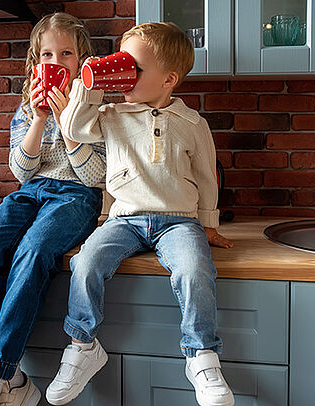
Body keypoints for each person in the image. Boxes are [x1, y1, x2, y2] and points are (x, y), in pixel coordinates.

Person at [46, 22, 235, 406]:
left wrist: (209, 225)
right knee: (86, 263)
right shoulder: (112, 114)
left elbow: (206, 176)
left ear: (168, 79)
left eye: (134, 66)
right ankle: (82, 346)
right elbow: (75, 127)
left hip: (178, 219)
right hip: (124, 220)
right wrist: (92, 81)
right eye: (122, 62)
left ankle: (201, 356)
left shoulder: (192, 124)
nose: (124, 72)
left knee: (195, 269)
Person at [0, 13, 106, 406]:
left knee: (33, 251)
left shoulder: (96, 105)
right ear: (36, 60)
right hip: (33, 191)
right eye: (47, 54)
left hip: (76, 196)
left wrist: (66, 119)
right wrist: (40, 119)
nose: (56, 62)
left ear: (82, 59)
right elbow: (22, 172)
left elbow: (95, 175)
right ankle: (15, 378)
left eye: (66, 53)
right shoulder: (27, 107)